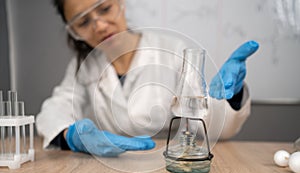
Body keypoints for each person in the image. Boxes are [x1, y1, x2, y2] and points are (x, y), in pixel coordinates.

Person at [36, 0, 259, 157]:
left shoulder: (172, 51)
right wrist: (73, 137)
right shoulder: (83, 67)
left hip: (166, 166)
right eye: (83, 23)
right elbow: (54, 110)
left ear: (120, 2)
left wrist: (233, 95)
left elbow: (213, 124)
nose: (100, 26)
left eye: (105, 8)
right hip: (109, 170)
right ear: (74, 32)